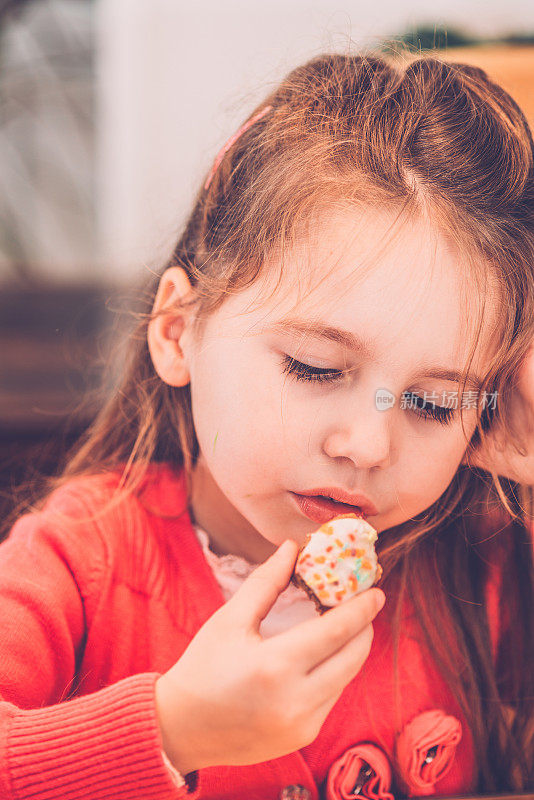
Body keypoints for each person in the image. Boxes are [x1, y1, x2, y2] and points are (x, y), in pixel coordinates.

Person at [1, 50, 533, 800]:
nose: (369, 444)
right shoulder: (79, 566)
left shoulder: (481, 564)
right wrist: (171, 730)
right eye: (316, 368)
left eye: (434, 404)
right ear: (178, 332)